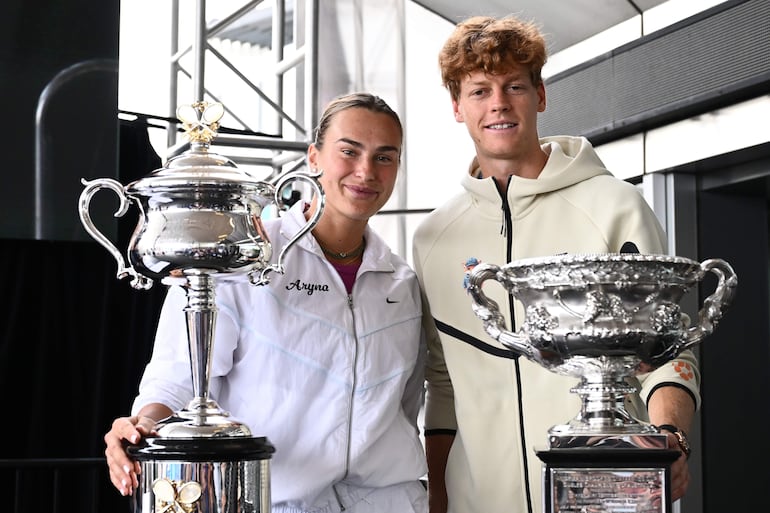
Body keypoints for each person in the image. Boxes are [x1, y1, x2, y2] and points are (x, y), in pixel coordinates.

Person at [411, 15, 699, 513]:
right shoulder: (433, 237)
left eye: (514, 86)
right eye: (479, 91)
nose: (498, 103)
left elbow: (672, 351)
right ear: (457, 107)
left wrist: (669, 434)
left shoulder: (615, 206)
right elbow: (442, 383)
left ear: (540, 96)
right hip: (478, 502)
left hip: (607, 494)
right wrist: (439, 493)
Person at [104, 92, 429, 513]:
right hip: (274, 500)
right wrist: (145, 423)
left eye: (385, 157)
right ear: (314, 158)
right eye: (349, 151)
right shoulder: (243, 255)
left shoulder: (402, 282)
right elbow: (179, 374)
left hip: (391, 503)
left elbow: (405, 407)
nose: (365, 171)